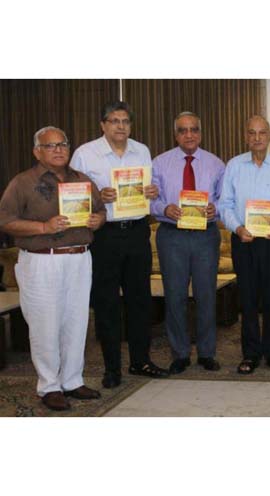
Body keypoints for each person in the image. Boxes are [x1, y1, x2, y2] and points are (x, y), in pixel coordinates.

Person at [0, 127, 106, 410]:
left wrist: (98, 219)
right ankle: (49, 385)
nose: (59, 149)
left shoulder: (83, 180)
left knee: (76, 321)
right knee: (45, 324)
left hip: (79, 258)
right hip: (41, 260)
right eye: (51, 146)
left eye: (63, 144)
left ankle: (72, 380)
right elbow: (5, 220)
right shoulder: (22, 182)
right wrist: (42, 227)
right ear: (37, 151)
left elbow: (100, 210)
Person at [70, 101, 169, 388]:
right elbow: (74, 197)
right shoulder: (85, 154)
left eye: (125, 121)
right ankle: (112, 368)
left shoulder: (142, 150)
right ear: (103, 125)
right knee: (107, 303)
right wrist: (98, 196)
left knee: (140, 301)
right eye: (114, 121)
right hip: (105, 236)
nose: (120, 126)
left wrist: (152, 191)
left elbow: (148, 192)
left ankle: (141, 361)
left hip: (138, 231)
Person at [219, 116, 270, 374]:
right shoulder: (234, 166)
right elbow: (224, 204)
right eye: (252, 132)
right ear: (246, 136)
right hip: (244, 239)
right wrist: (237, 228)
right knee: (248, 296)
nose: (257, 137)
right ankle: (250, 353)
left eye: (262, 132)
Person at [151, 112, 225, 374]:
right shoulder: (159, 163)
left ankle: (206, 353)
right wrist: (164, 207)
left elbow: (224, 200)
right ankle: (180, 353)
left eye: (194, 129)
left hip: (205, 235)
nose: (189, 134)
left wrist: (214, 209)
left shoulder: (216, 164)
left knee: (206, 296)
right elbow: (149, 199)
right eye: (183, 130)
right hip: (172, 235)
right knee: (175, 296)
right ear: (176, 134)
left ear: (200, 133)